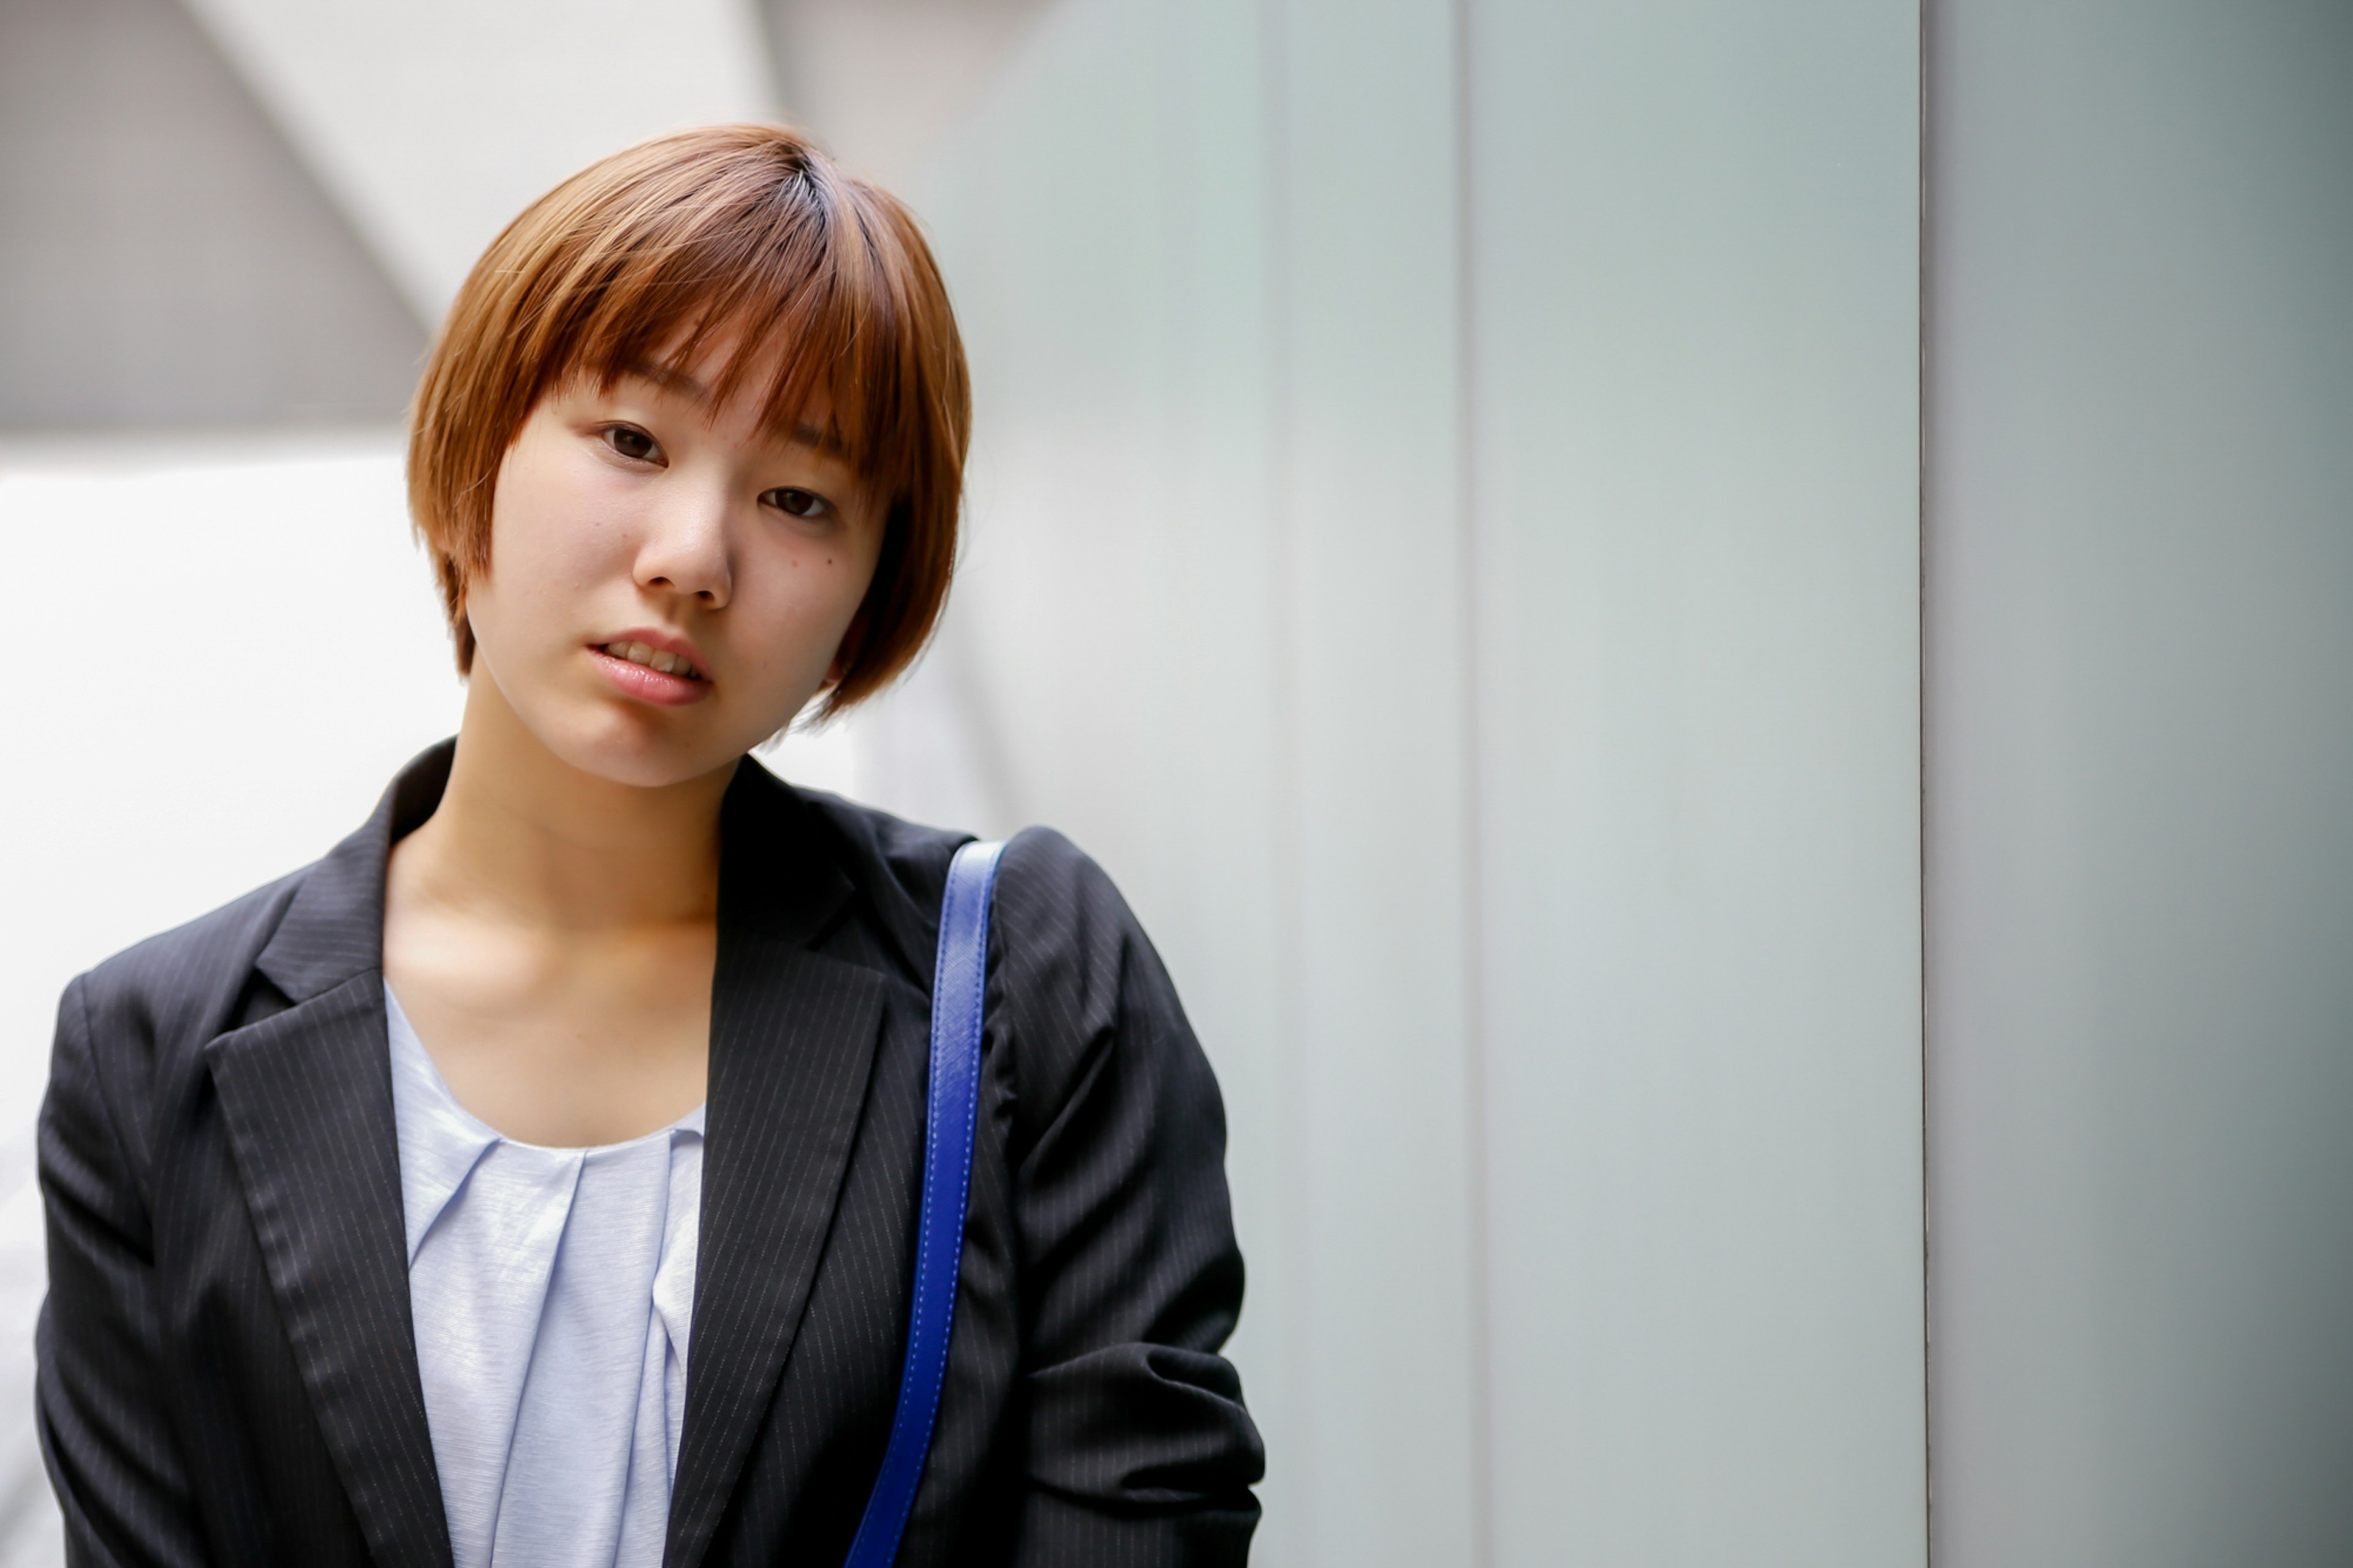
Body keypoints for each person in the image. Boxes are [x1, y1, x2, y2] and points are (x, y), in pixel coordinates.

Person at [35, 124, 1262, 1567]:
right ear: (466, 459)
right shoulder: (154, 1052)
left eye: (800, 497)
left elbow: (1140, 1514)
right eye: (632, 439)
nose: (694, 552)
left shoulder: (1023, 987)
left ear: (868, 600)